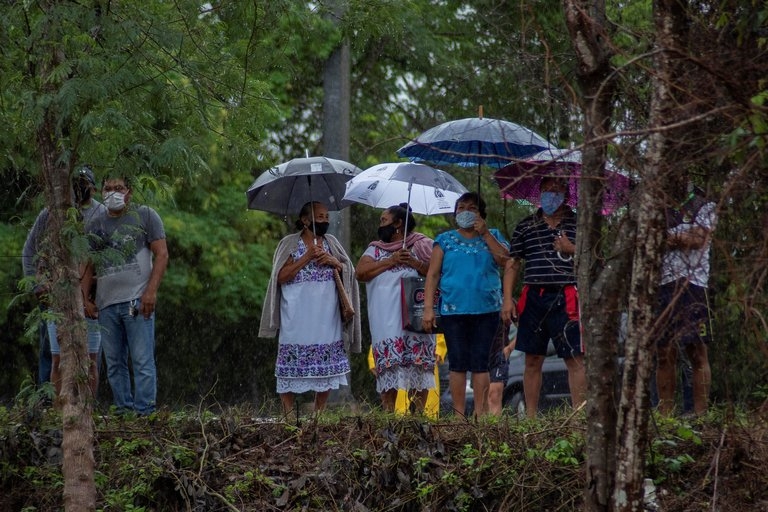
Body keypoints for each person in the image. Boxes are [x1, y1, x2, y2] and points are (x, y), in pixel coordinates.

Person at [259, 201, 362, 417]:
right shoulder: (289, 243)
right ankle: (288, 414)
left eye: (326, 217)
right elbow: (279, 277)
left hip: (326, 315)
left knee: (326, 366)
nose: (325, 220)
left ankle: (318, 413)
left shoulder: (332, 242)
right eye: (320, 217)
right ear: (305, 220)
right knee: (289, 364)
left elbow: (348, 269)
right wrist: (306, 258)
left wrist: (335, 262)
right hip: (295, 315)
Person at [81, 175, 168, 415]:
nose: (113, 193)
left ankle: (145, 412)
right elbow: (87, 264)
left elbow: (162, 254)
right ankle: (123, 410)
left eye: (118, 188)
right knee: (114, 364)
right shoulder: (95, 224)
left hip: (137, 301)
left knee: (142, 360)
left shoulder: (146, 215)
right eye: (108, 188)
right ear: (101, 190)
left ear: (129, 191)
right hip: (106, 304)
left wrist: (151, 292)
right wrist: (84, 298)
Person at [501, 176, 586, 418]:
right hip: (533, 295)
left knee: (574, 357)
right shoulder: (526, 225)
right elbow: (513, 262)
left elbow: (595, 259)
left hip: (567, 294)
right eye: (546, 190)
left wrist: (572, 249)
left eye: (556, 191)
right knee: (532, 358)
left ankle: (579, 416)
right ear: (538, 194)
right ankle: (530, 416)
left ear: (566, 195)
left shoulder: (579, 224)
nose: (551, 195)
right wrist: (508, 298)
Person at [422, 192, 509, 418]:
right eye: (461, 207)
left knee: (481, 362)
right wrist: (429, 309)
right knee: (457, 362)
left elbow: (505, 260)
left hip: (487, 309)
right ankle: (459, 416)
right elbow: (432, 275)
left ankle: (480, 414)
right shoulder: (444, 240)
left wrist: (486, 233)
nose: (465, 211)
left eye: (471, 208)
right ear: (455, 213)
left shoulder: (494, 236)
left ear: (481, 214)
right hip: (453, 310)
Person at [22, 165, 104, 396]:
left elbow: (101, 258)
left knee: (90, 355)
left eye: (83, 183)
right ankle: (49, 402)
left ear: (93, 188)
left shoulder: (101, 215)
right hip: (54, 293)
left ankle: (87, 404)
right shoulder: (50, 213)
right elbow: (30, 251)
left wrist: (93, 291)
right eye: (75, 183)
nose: (79, 188)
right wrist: (36, 285)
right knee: (52, 352)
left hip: (89, 297)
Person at [356, 203, 436, 414]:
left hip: (417, 318)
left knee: (418, 369)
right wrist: (391, 261)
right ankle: (389, 416)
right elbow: (361, 273)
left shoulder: (423, 245)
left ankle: (417, 418)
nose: (380, 225)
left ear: (398, 223)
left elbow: (439, 273)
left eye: (384, 220)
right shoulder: (375, 249)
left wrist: (416, 263)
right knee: (390, 367)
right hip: (385, 321)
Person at [655, 185, 717, 416]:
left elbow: (699, 238)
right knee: (664, 352)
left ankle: (701, 415)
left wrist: (668, 237)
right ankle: (666, 417)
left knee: (697, 350)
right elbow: (647, 239)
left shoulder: (703, 202)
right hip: (661, 285)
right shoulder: (656, 206)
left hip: (694, 284)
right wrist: (679, 237)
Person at [367, 334, 447, 418]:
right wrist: (373, 357)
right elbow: (383, 326)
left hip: (422, 347)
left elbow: (435, 325)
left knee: (423, 391)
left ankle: (422, 422)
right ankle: (393, 422)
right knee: (397, 403)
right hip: (396, 352)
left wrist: (439, 346)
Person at [487, 322, 517, 416]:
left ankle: (494, 428)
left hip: (498, 354)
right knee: (481, 398)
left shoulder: (505, 307)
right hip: (480, 355)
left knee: (494, 394)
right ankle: (480, 427)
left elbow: (525, 326)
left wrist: (509, 348)